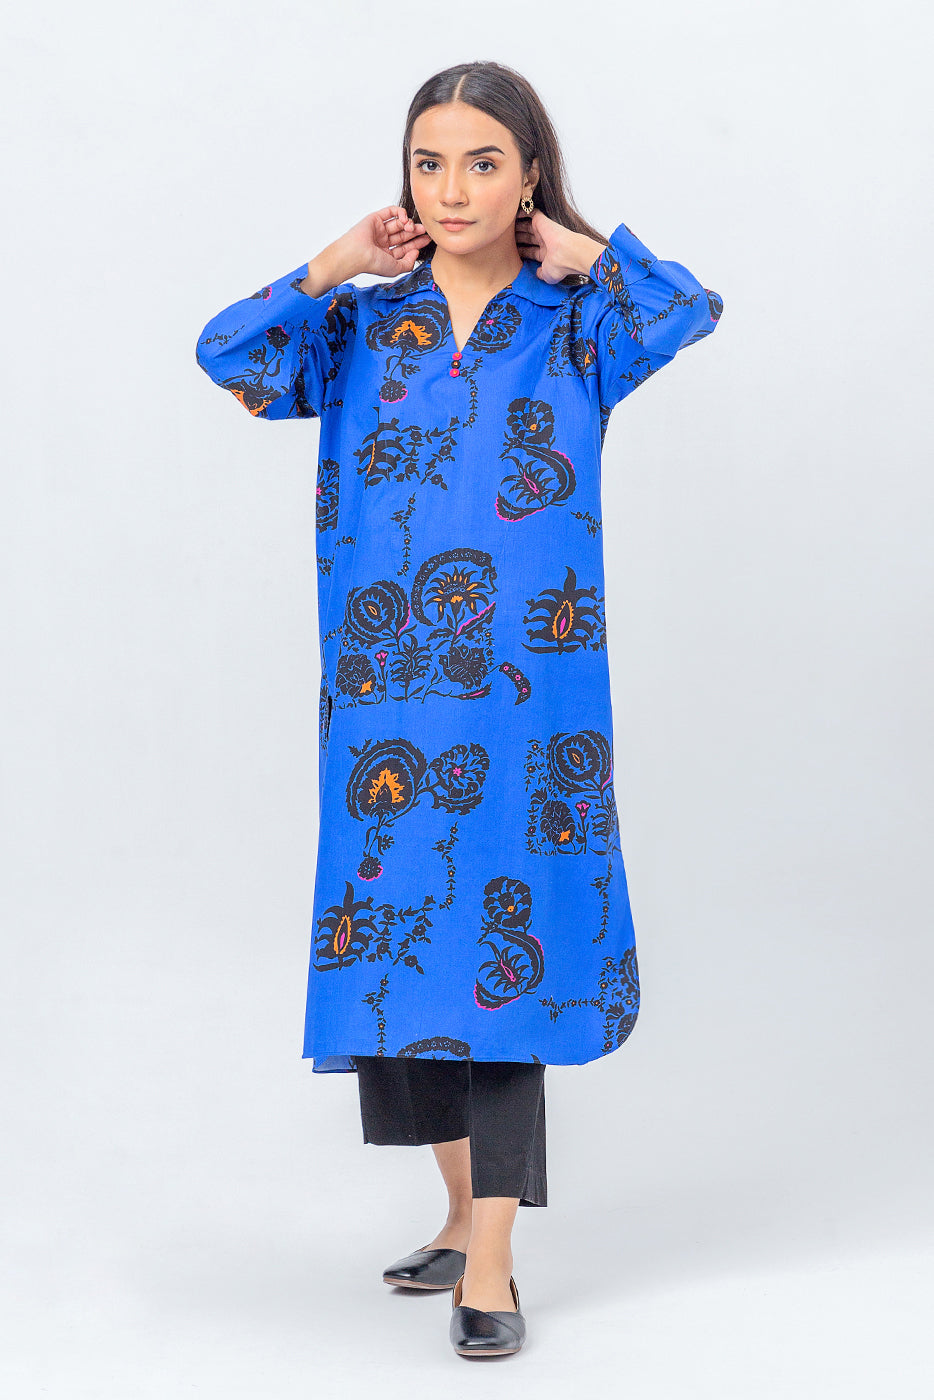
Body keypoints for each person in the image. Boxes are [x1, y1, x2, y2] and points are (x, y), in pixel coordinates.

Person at [195, 59, 723, 1359]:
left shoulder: (577, 323)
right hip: (388, 705)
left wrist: (589, 251)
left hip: (529, 707)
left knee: (507, 966)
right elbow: (229, 355)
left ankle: (491, 1261)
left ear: (528, 175)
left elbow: (687, 311)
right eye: (429, 163)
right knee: (400, 968)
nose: (452, 188)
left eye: (483, 162)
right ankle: (453, 1210)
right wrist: (334, 260)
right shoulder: (364, 328)